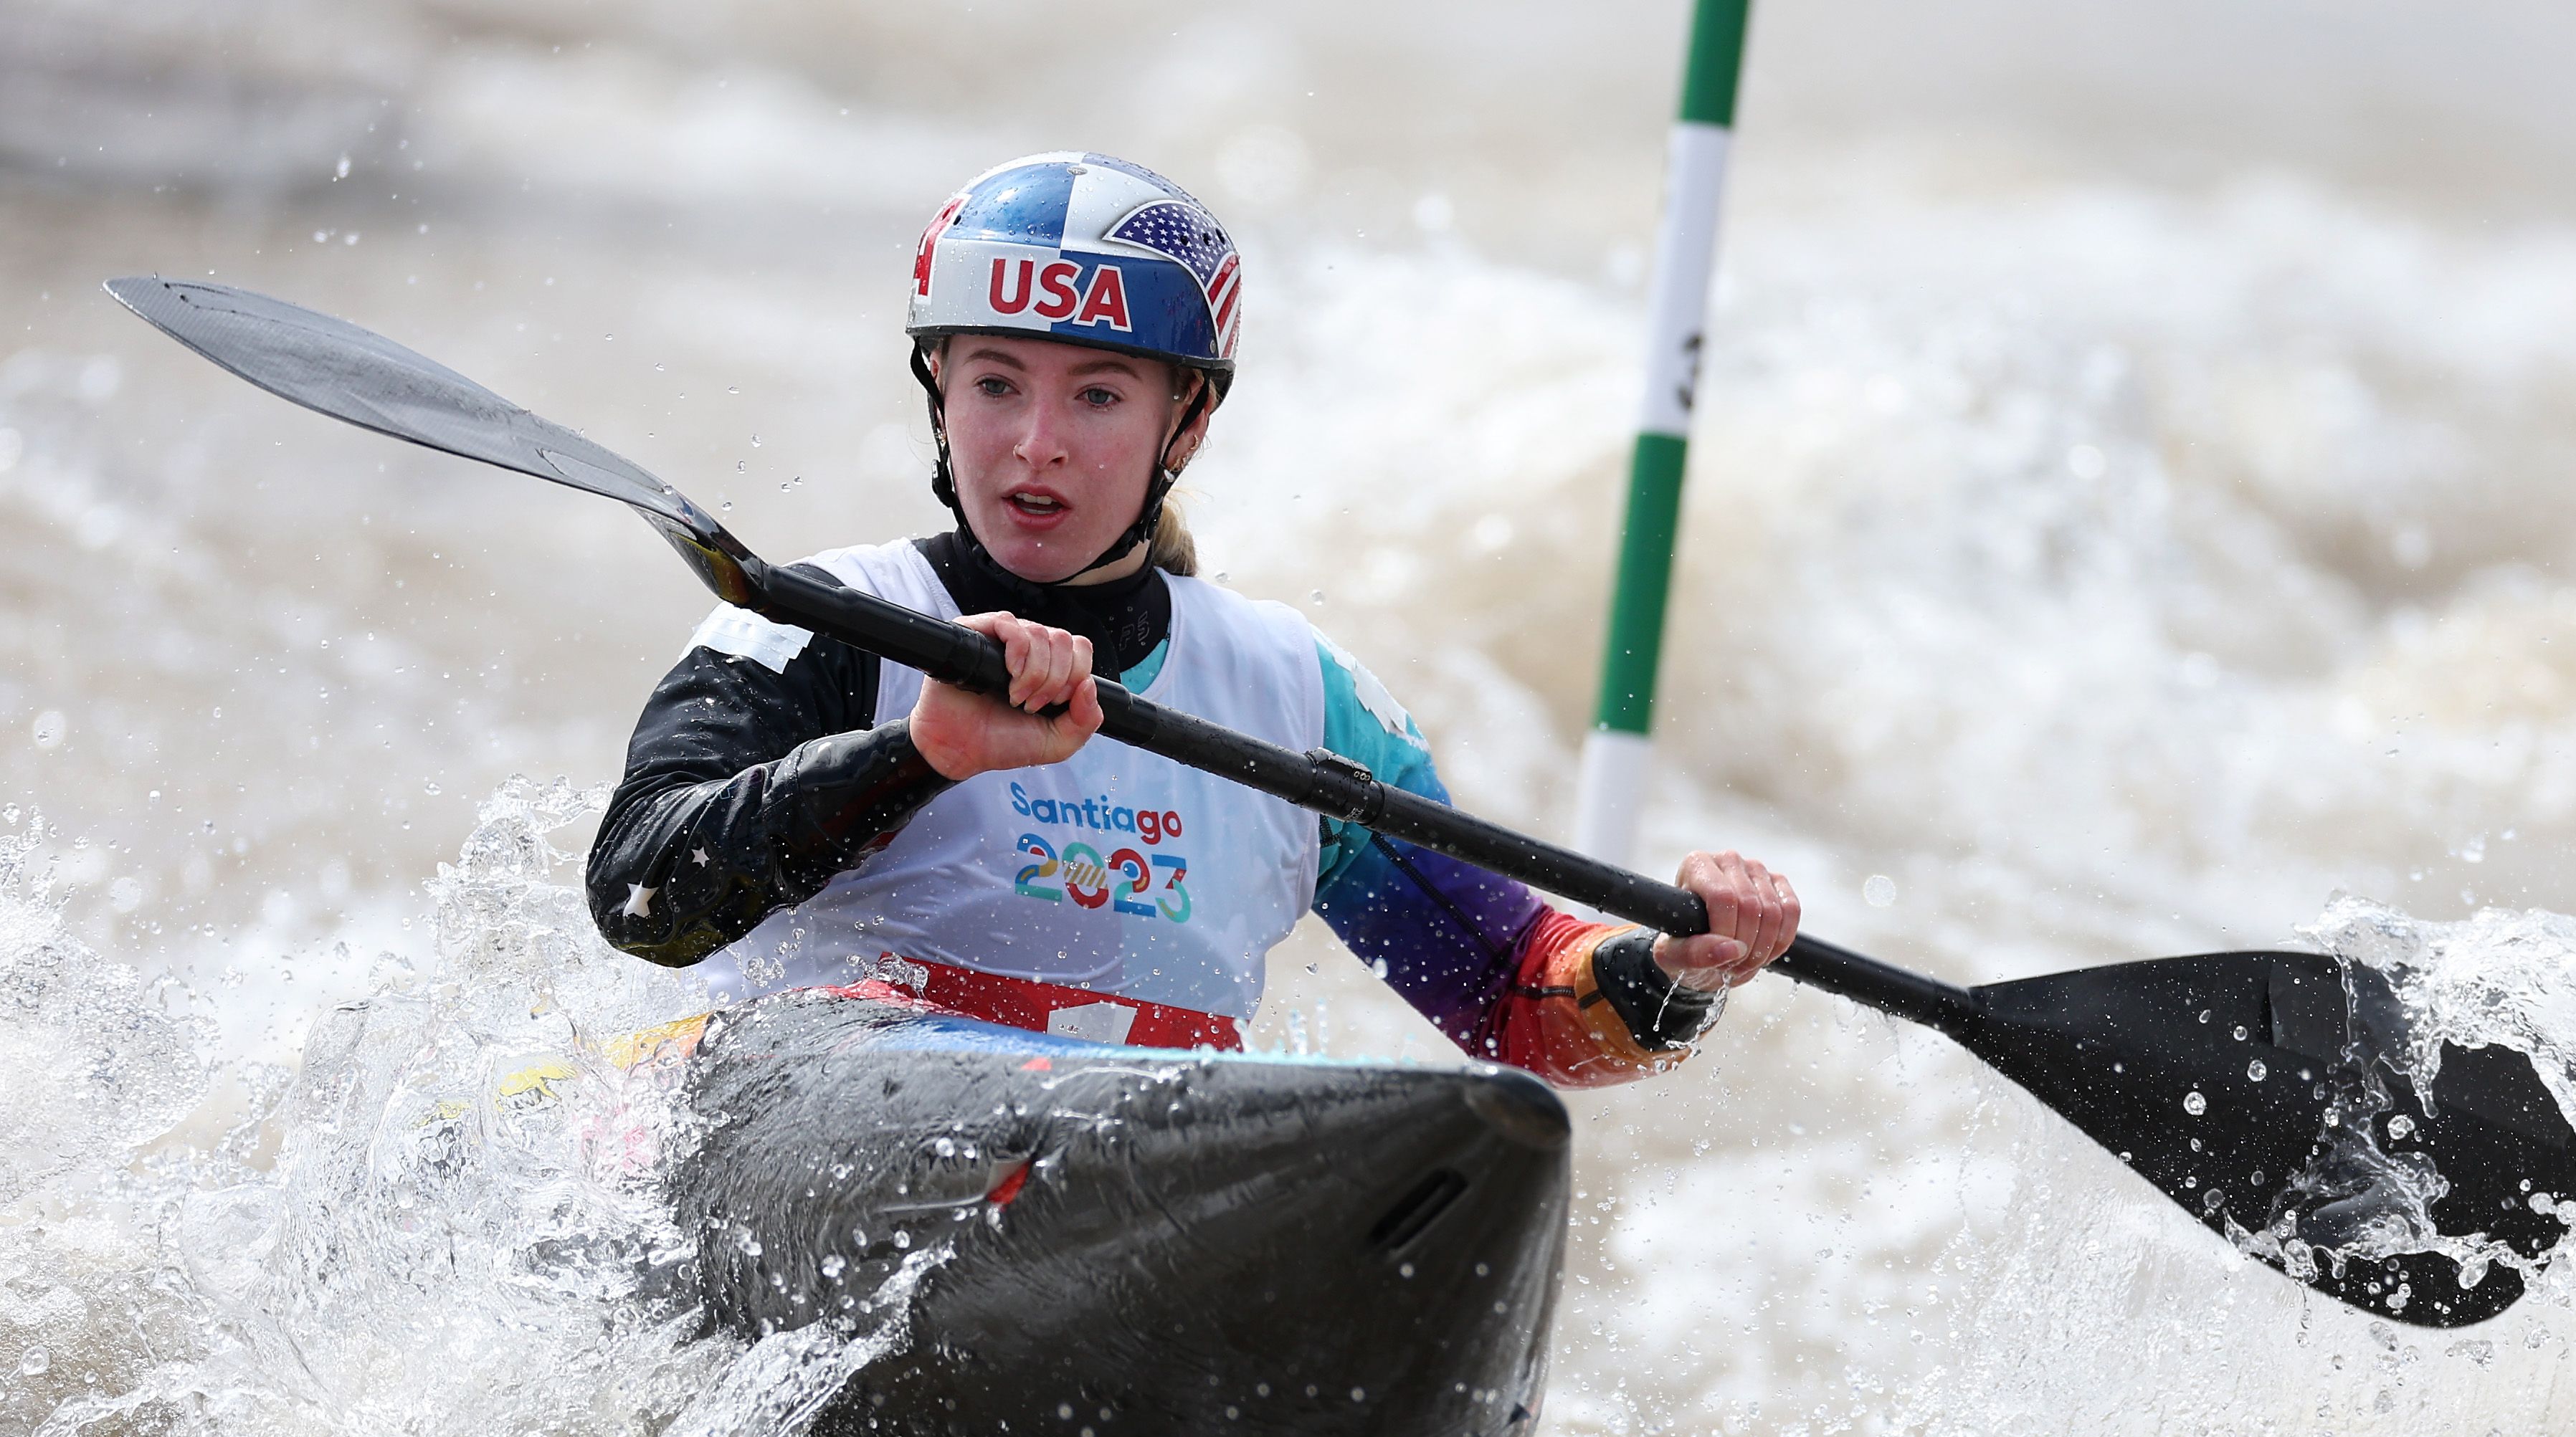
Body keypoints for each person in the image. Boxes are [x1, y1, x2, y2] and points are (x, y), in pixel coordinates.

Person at [586, 152, 1800, 1083]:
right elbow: (639, 895)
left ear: (1190, 426)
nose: (1036, 444)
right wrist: (919, 754)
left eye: (1099, 395)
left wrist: (1679, 966)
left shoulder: (1292, 694)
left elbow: (1520, 1003)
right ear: (939, 392)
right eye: (995, 382)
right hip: (819, 1143)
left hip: (1126, 1178)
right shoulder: (826, 624)